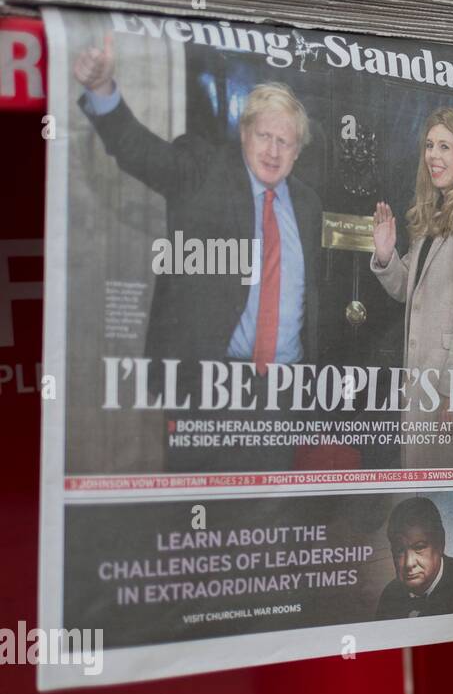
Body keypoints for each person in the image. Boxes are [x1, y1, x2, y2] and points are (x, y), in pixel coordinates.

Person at [74, 34, 324, 470]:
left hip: (283, 390)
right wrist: (102, 90)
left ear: (298, 151)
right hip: (210, 383)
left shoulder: (307, 205)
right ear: (244, 134)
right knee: (201, 504)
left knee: (270, 502)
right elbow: (143, 153)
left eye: (285, 141)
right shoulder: (203, 171)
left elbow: (311, 294)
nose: (272, 150)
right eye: (264, 135)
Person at [371, 107, 453, 470]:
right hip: (427, 385)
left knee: (442, 490)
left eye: (445, 146)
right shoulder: (435, 217)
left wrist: (452, 393)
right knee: (421, 488)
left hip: (448, 392)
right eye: (429, 145)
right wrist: (386, 255)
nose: (433, 156)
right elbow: (405, 289)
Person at [373, 496, 453, 620]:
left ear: (440, 544)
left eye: (419, 547)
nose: (409, 563)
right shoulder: (390, 594)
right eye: (400, 551)